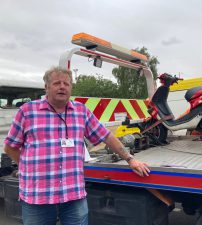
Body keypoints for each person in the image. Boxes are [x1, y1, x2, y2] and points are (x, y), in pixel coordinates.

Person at [4, 66, 150, 225]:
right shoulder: (27, 111)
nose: (62, 87)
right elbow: (10, 147)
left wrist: (130, 159)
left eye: (66, 84)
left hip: (73, 196)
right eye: (57, 83)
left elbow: (106, 136)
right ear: (46, 87)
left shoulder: (81, 111)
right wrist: (26, 168)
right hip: (38, 196)